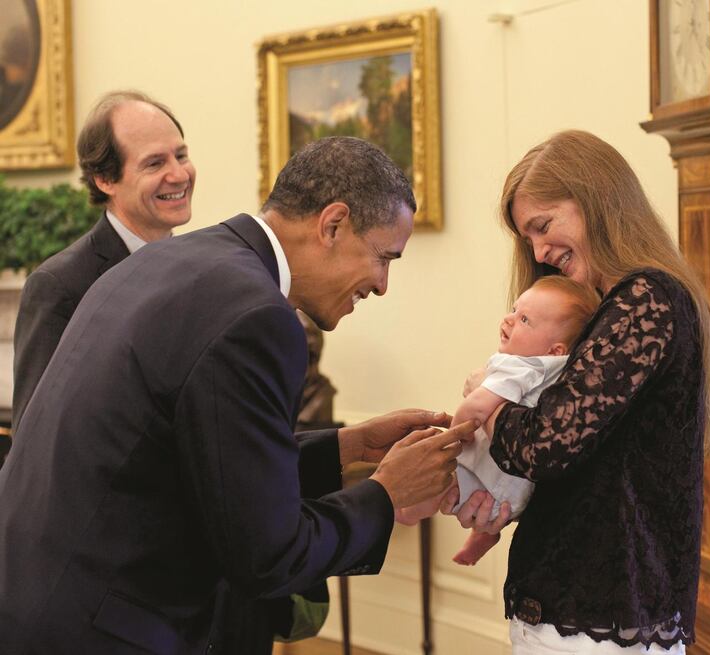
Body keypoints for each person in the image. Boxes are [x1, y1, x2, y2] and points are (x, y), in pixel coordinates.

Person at [0, 136, 473, 655]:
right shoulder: (258, 316)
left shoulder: (172, 259)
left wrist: (348, 447)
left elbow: (201, 462)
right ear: (333, 224)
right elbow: (267, 556)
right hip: (105, 630)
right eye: (384, 257)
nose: (382, 285)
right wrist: (386, 495)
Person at [443, 130, 710, 654]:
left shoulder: (645, 300)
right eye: (526, 237)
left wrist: (488, 403)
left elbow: (543, 445)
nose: (537, 250)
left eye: (543, 225)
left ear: (596, 200)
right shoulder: (612, 306)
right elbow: (581, 462)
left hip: (601, 608)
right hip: (574, 601)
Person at [11, 90, 195, 434]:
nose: (179, 175)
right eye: (155, 163)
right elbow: (36, 439)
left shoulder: (202, 269)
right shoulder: (59, 286)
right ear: (105, 179)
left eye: (181, 156)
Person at [396, 277, 599, 567]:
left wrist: (455, 438)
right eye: (515, 310)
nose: (509, 319)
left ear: (555, 350)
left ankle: (405, 512)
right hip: (513, 489)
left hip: (492, 474)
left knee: (437, 480)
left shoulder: (521, 367)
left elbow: (478, 406)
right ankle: (483, 536)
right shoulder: (561, 374)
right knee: (480, 506)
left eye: (525, 319)